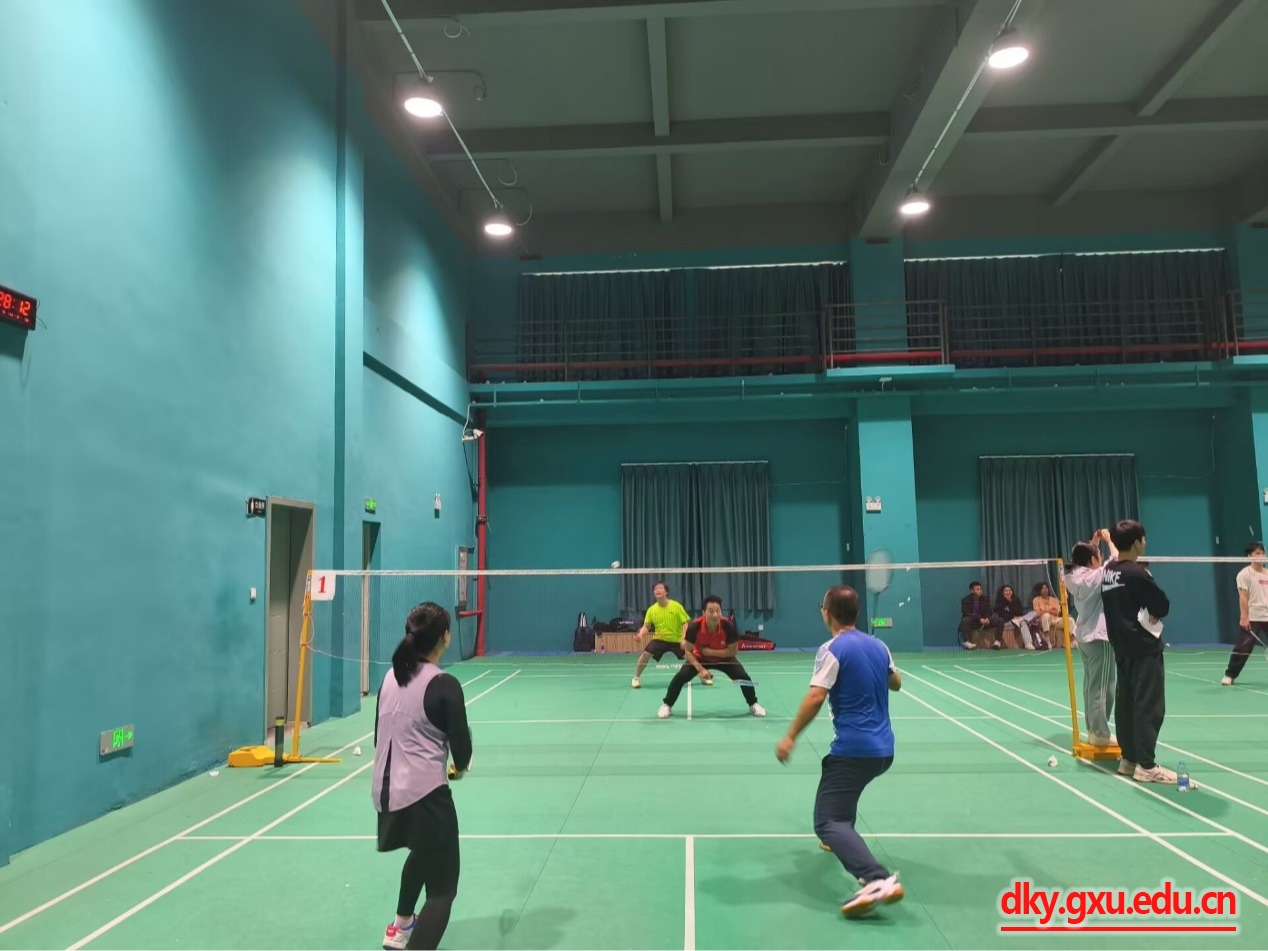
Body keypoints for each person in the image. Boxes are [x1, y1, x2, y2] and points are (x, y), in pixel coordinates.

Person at [775, 585, 904, 919]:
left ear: (827, 613)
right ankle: (841, 841)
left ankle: (876, 879)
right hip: (884, 750)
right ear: (856, 614)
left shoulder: (831, 649)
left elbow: (816, 696)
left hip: (855, 749)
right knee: (840, 789)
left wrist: (790, 736)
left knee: (827, 820)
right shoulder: (878, 645)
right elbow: (896, 683)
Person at [372, 603, 472, 950]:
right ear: (446, 636)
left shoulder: (389, 677)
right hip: (425, 796)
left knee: (424, 850)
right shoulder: (444, 684)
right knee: (442, 892)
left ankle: (401, 926)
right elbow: (462, 751)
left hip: (386, 794)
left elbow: (378, 736)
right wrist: (460, 769)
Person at [1100, 520, 1183, 786]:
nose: (1145, 542)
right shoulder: (1137, 574)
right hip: (1143, 647)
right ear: (1137, 542)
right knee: (1149, 705)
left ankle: (1129, 759)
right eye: (1143, 539)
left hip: (1121, 647)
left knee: (1126, 704)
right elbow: (1162, 605)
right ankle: (1147, 765)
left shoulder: (1109, 572)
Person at [658, 595, 766, 718]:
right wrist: (700, 669)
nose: (715, 615)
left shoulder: (728, 626)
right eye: (711, 611)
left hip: (724, 658)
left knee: (743, 677)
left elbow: (733, 652)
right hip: (699, 657)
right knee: (681, 677)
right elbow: (688, 651)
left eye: (718, 611)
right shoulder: (694, 627)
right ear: (704, 612)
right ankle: (667, 705)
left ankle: (753, 704)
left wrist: (710, 652)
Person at [1064, 529, 1118, 746]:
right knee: (1104, 687)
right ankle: (1100, 733)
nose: (1102, 558)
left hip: (1084, 637)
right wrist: (1109, 540)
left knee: (1090, 686)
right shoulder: (1097, 577)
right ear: (1093, 560)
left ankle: (1093, 730)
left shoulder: (1072, 576)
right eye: (1098, 556)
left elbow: (1083, 560)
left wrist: (1094, 543)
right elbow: (1117, 560)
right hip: (1100, 637)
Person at [1222, 541, 1268, 686]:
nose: (1261, 556)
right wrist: (1244, 616)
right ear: (1249, 556)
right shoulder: (1244, 574)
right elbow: (1243, 596)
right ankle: (1230, 675)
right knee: (1243, 648)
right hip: (1253, 616)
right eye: (1257, 553)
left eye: (1263, 553)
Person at [631, 581, 690, 689]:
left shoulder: (676, 606)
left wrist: (683, 638)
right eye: (655, 589)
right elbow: (646, 627)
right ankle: (636, 678)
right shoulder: (652, 610)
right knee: (645, 655)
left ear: (666, 592)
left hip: (676, 640)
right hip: (660, 639)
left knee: (692, 656)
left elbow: (685, 623)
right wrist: (640, 635)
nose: (657, 590)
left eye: (660, 588)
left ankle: (702, 675)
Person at [959, 581, 997, 650]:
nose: (980, 591)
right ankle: (967, 642)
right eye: (977, 589)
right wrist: (979, 619)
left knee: (1000, 620)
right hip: (973, 621)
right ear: (972, 591)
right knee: (965, 620)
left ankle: (997, 642)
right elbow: (967, 613)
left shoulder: (985, 599)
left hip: (984, 621)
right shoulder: (965, 600)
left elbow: (989, 611)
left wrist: (987, 618)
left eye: (980, 589)